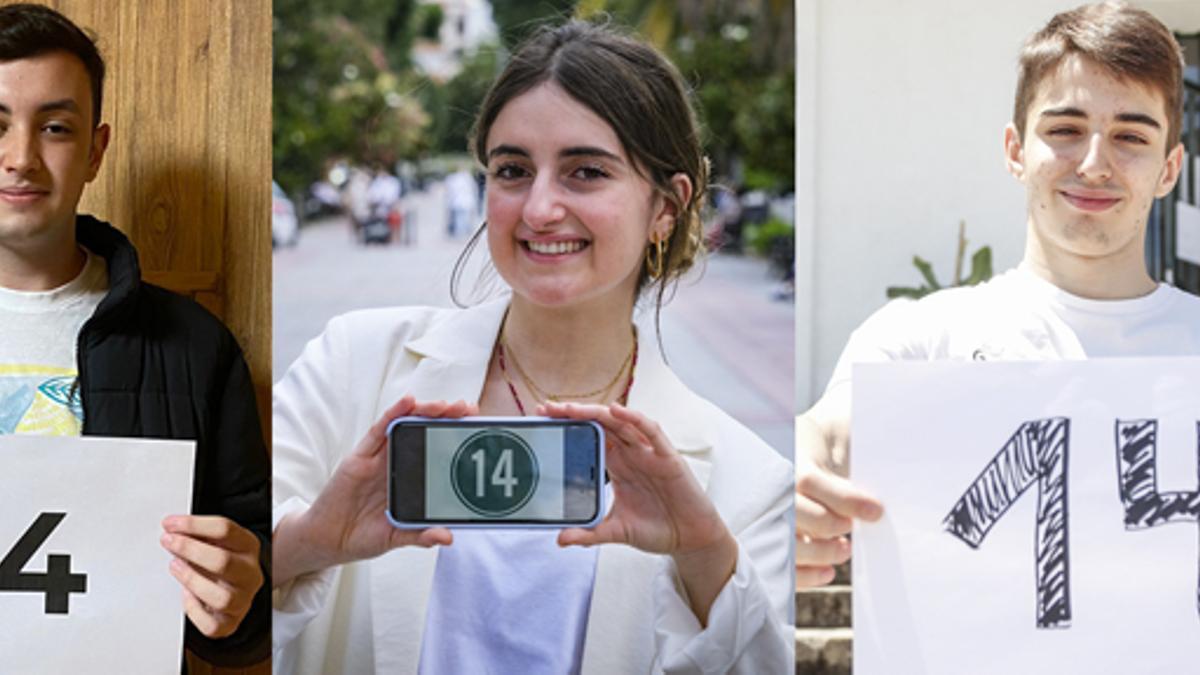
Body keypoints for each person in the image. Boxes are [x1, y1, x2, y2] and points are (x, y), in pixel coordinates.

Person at [272, 20, 792, 674]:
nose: (540, 208)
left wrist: (702, 554)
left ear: (667, 205)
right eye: (513, 170)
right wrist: (308, 542)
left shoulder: (746, 480)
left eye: (585, 172)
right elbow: (199, 585)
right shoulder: (353, 367)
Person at [795, 1, 1200, 589]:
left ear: (1168, 170)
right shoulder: (922, 340)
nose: (1094, 163)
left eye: (1130, 136)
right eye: (1065, 130)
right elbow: (827, 433)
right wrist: (799, 474)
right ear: (1016, 151)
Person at [0, 3, 270, 664]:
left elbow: (252, 600)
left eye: (56, 127)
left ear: (95, 151)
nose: (20, 158)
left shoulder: (194, 346)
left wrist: (239, 601)